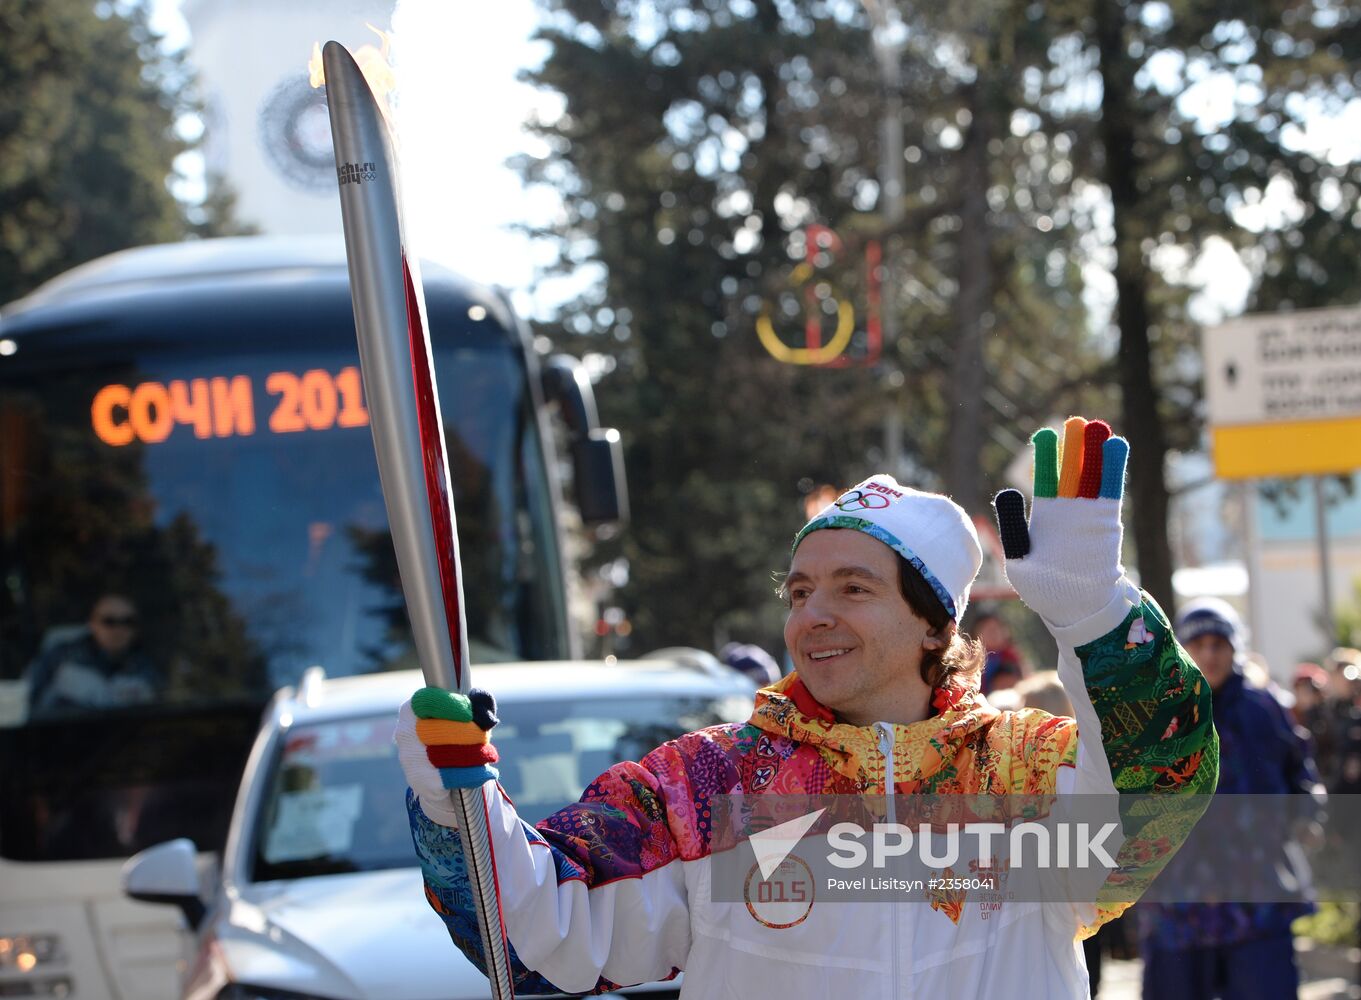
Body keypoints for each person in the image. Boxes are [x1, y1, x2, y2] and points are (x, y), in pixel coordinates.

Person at [396, 417, 1218, 998]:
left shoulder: (1024, 772)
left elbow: (1160, 793)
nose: (810, 615)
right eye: (799, 591)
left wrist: (1093, 613)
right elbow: (541, 940)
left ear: (933, 624)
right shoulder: (709, 785)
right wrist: (453, 800)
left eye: (852, 589)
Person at [1137, 597, 1322, 1000]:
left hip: (1255, 902)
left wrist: (1307, 816)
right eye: (1198, 644)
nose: (1209, 654)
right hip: (1178, 905)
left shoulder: (1265, 709)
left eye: (1218, 644)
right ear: (1181, 649)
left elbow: (1301, 773)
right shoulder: (1155, 712)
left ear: (1234, 648)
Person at [26, 593, 158, 717]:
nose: (119, 629)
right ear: (92, 624)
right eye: (109, 621)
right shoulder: (59, 657)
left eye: (128, 621)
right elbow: (25, 700)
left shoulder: (146, 668)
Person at [972, 605, 1028, 695]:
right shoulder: (970, 659)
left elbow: (1025, 681)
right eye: (989, 630)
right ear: (977, 632)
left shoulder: (1012, 656)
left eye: (996, 629)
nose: (994, 634)